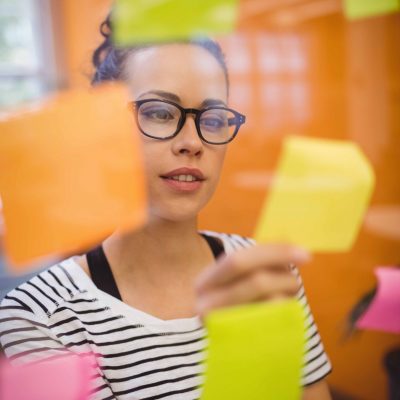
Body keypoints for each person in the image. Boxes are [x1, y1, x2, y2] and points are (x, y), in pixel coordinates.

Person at [0, 13, 332, 400]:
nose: (192, 142)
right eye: (159, 112)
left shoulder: (261, 271)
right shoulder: (39, 315)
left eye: (211, 118)